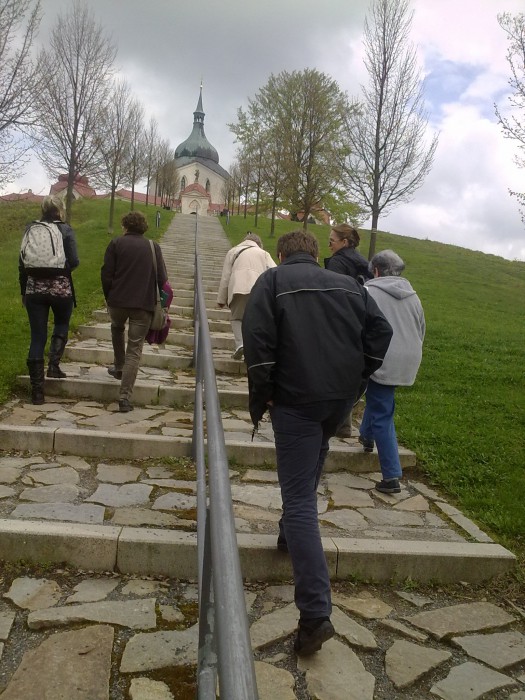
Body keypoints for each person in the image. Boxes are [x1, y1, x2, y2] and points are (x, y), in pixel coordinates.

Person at [242, 230, 392, 656]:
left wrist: (265, 393)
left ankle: (315, 614)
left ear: (281, 254)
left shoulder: (272, 280)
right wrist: (358, 380)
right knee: (310, 470)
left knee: (299, 502)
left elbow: (257, 341)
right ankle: (287, 534)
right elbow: (380, 332)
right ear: (314, 253)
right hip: (335, 401)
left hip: (296, 401)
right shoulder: (350, 285)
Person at [359, 250, 425, 494]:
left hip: (381, 356)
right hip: (408, 357)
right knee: (380, 399)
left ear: (375, 270)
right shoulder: (413, 295)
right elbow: (421, 328)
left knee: (382, 412)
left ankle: (391, 476)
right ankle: (366, 436)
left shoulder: (368, 291)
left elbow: (359, 326)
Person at [101, 211, 168, 413]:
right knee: (135, 349)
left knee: (116, 328)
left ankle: (119, 365)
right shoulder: (153, 247)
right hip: (143, 304)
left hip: (118, 301)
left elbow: (106, 274)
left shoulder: (116, 243)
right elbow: (162, 278)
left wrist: (109, 296)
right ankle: (124, 397)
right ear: (143, 227)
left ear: (125, 226)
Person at [19, 195, 79, 404]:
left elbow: (22, 264)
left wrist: (24, 292)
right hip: (60, 287)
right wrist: (60, 269)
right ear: (60, 209)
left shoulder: (31, 228)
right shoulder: (66, 229)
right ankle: (53, 366)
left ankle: (37, 392)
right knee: (61, 323)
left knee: (37, 337)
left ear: (42, 209)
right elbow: (74, 261)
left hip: (34, 288)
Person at [324, 224, 373, 438]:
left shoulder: (337, 263)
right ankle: (344, 424)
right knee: (348, 372)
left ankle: (336, 422)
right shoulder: (364, 263)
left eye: (332, 241)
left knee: (333, 372)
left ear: (344, 242)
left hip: (339, 322)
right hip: (361, 322)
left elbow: (331, 294)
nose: (329, 244)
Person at [217, 232, 276, 360]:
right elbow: (274, 272)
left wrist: (221, 299)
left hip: (238, 287)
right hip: (259, 290)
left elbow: (226, 277)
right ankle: (254, 351)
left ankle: (240, 344)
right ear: (258, 244)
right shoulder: (264, 253)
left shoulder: (233, 251)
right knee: (256, 321)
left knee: (236, 318)